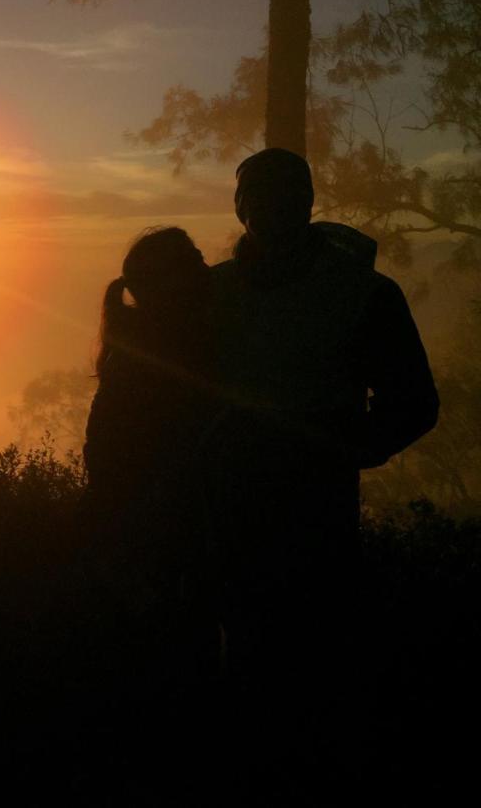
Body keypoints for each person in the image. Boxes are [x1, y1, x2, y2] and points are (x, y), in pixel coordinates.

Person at [208, 147, 439, 783]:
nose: (272, 209)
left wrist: (336, 449)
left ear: (308, 204)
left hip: (312, 524)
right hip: (232, 522)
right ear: (241, 207)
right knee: (257, 671)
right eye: (261, 195)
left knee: (307, 673)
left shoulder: (359, 295)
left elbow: (414, 403)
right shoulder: (216, 295)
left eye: (285, 195)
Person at [80, 226, 221, 782]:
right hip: (157, 553)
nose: (204, 267)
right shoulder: (161, 355)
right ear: (166, 285)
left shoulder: (142, 345)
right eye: (191, 260)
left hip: (143, 551)